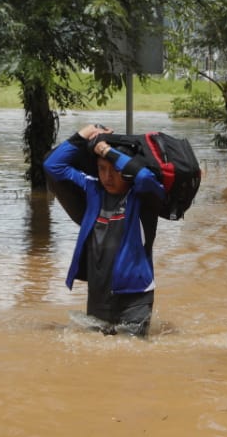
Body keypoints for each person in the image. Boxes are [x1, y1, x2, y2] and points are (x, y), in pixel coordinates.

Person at [43, 123, 165, 336]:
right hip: (98, 293)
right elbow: (52, 165)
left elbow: (145, 176)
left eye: (115, 171)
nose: (107, 177)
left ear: (127, 172)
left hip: (134, 296)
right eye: (102, 169)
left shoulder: (142, 197)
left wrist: (107, 151)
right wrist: (84, 134)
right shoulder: (93, 189)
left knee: (131, 352)